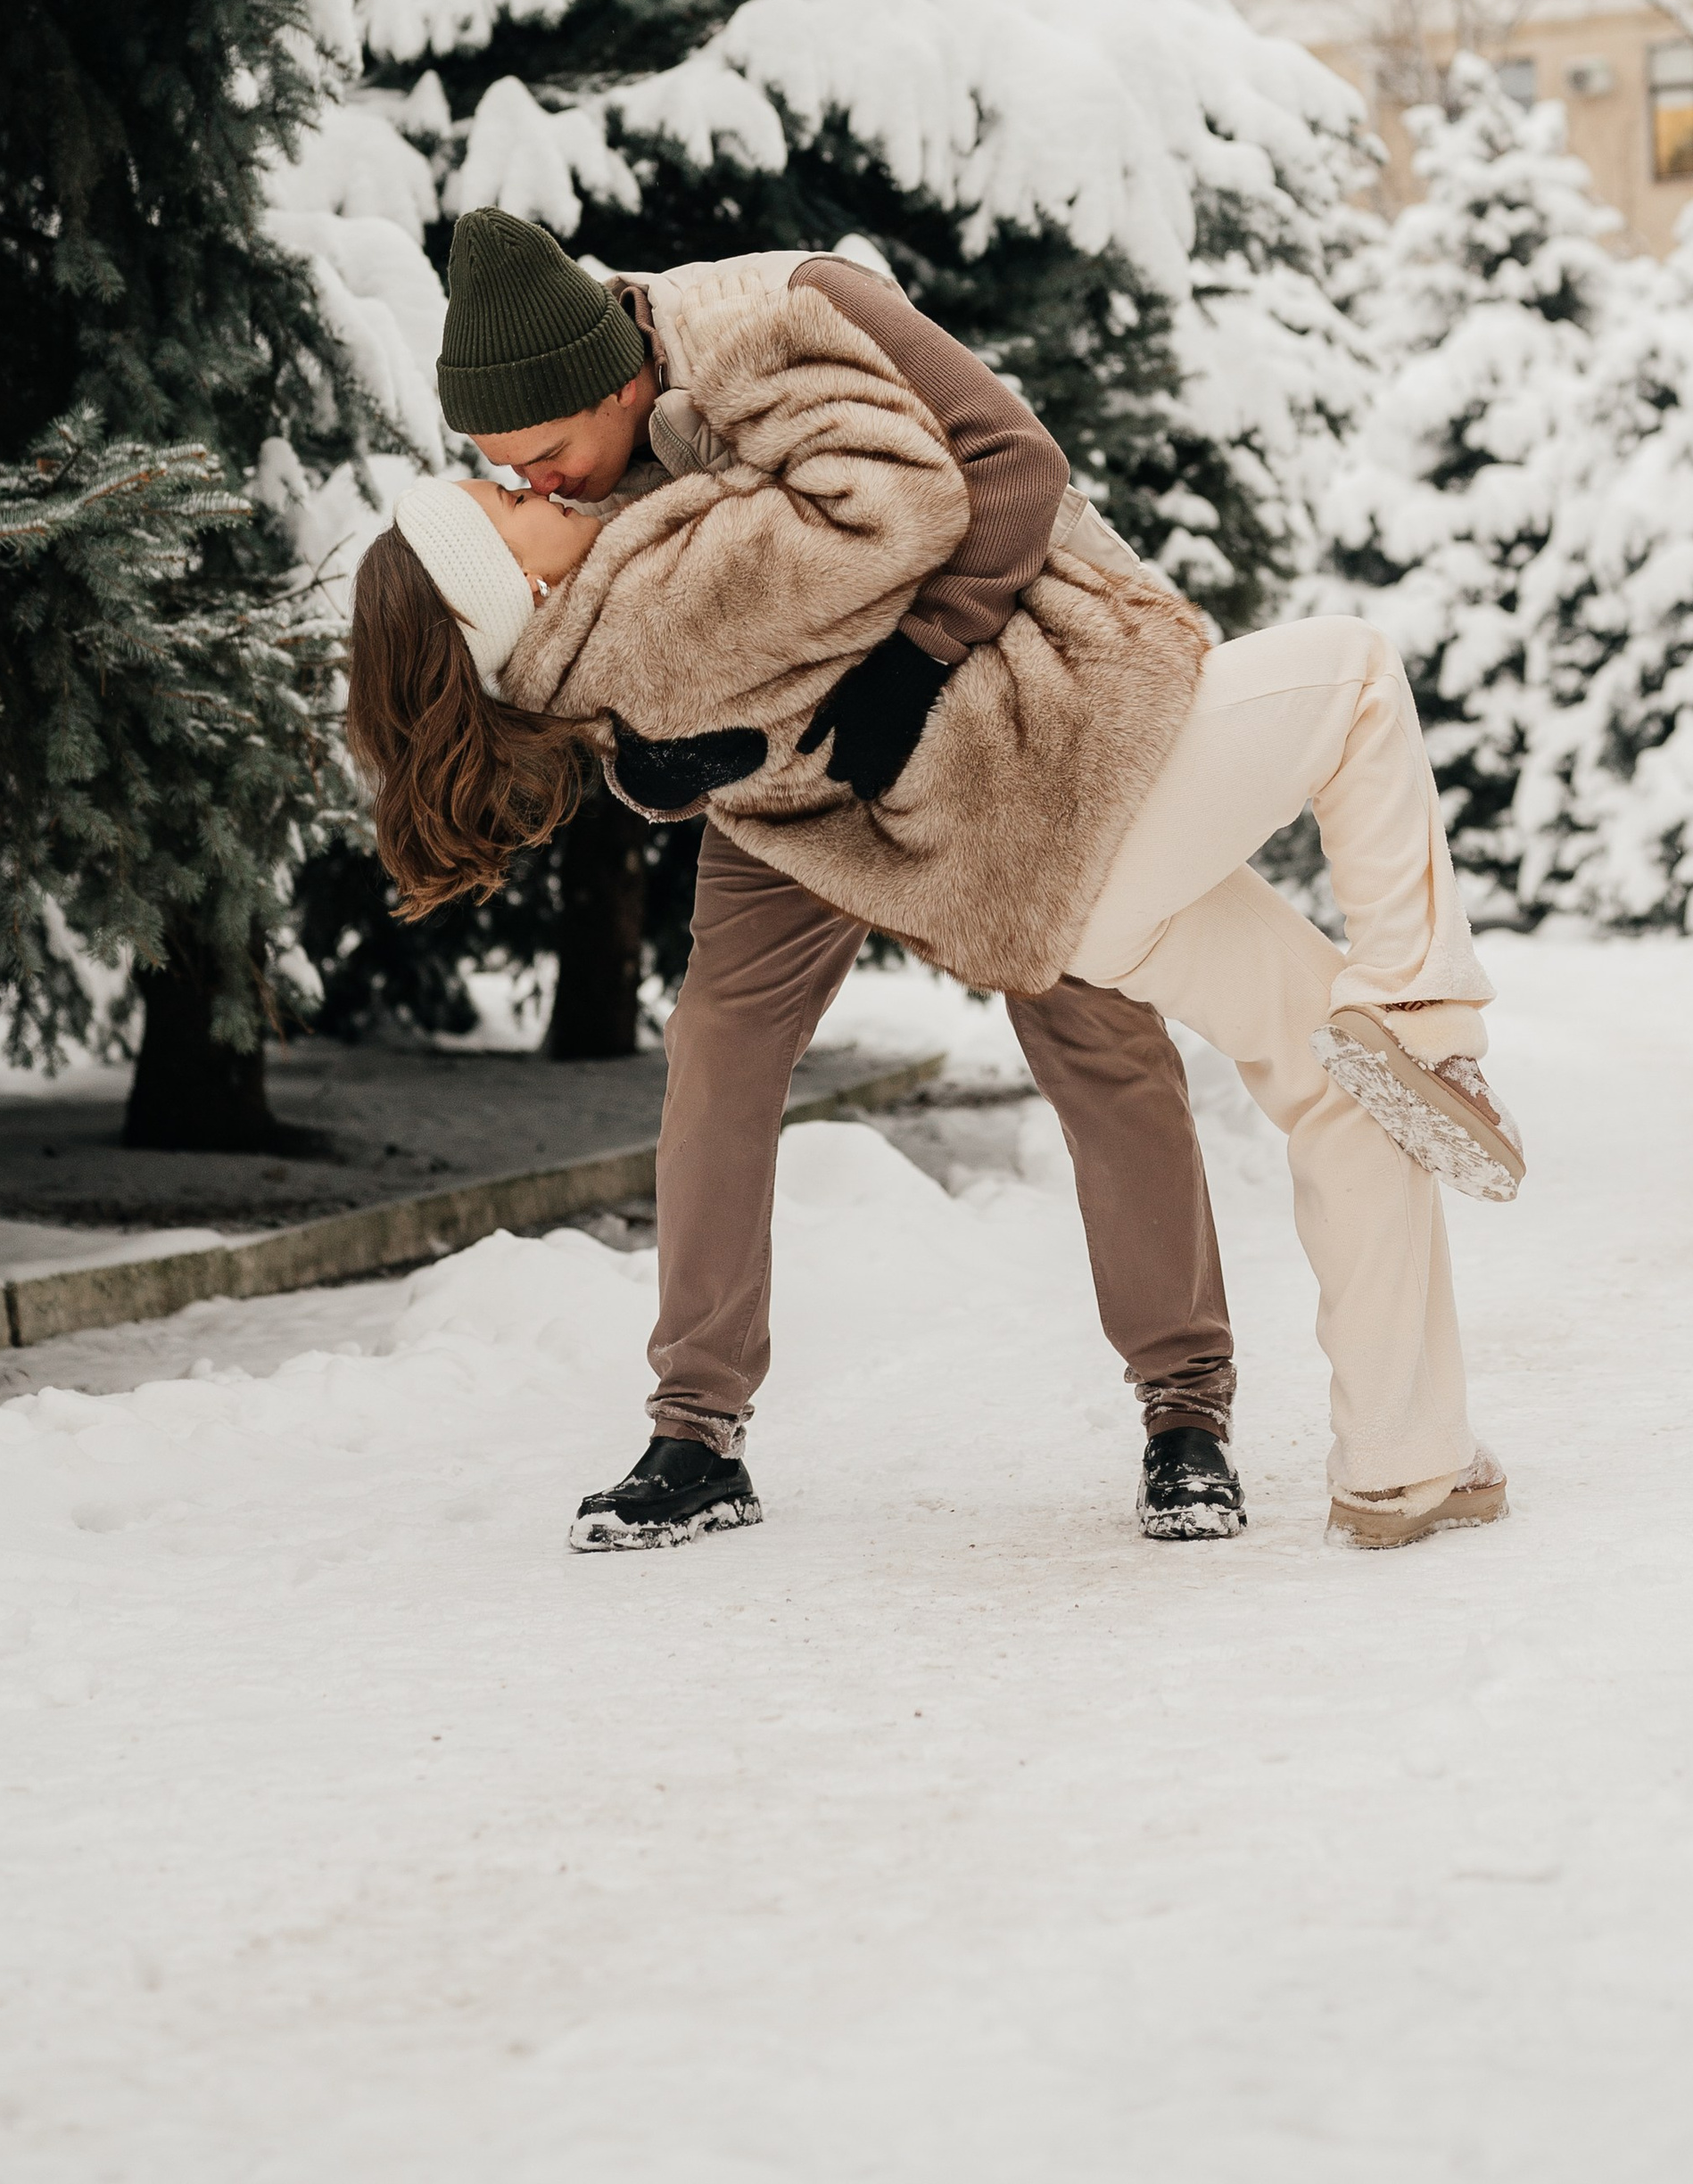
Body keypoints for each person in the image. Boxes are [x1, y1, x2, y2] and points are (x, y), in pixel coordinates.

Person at [348, 218, 1519, 1554]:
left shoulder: (785, 312)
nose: (543, 490)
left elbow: (1014, 467)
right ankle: (695, 1429)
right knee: (723, 1041)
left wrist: (914, 660)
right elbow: (575, 673)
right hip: (796, 798)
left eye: (547, 461)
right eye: (506, 477)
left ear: (619, 381)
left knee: (1094, 1024)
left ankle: (1186, 1407)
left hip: (993, 695)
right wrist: (655, 775)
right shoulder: (560, 500)